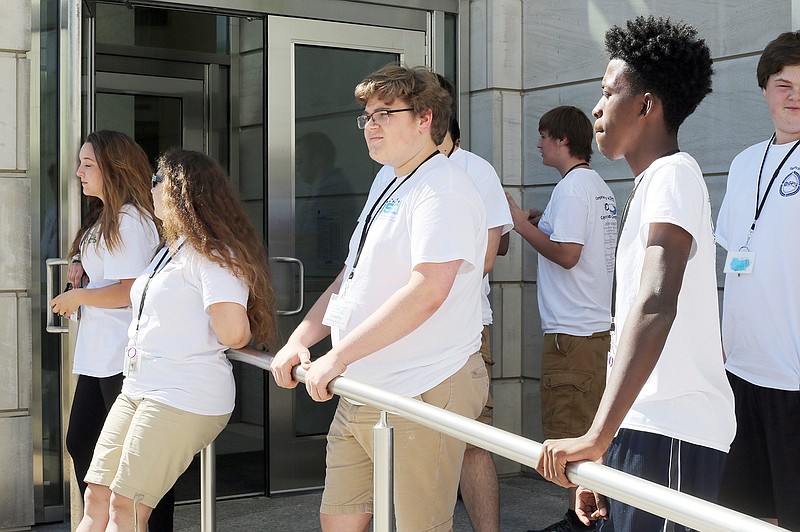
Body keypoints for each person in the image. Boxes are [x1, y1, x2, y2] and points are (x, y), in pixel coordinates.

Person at [534, 16, 736, 532]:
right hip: (644, 427)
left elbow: (654, 304)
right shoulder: (654, 183)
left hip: (672, 431)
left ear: (646, 105)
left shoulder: (673, 174)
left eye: (608, 93)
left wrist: (597, 438)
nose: (596, 109)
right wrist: (605, 451)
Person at [270, 63, 489, 532]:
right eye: (367, 115)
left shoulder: (443, 187)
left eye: (385, 113)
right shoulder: (387, 181)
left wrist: (338, 357)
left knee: (419, 526)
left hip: (422, 385)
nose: (371, 125)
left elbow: (428, 290)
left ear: (426, 118)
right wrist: (301, 339)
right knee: (340, 519)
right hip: (364, 385)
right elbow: (348, 280)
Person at [75, 149, 278, 532]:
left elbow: (234, 332)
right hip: (138, 387)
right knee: (96, 495)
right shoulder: (170, 249)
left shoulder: (214, 255)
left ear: (181, 191)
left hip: (181, 393)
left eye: (157, 181)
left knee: (125, 506)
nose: (150, 189)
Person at [49, 130, 175, 530]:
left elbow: (129, 291)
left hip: (125, 358)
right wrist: (82, 269)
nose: (79, 173)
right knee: (86, 443)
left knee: (131, 459)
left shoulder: (131, 221)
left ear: (113, 169)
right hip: (103, 356)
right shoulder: (110, 217)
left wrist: (78, 299)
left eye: (88, 165)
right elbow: (112, 273)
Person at [507, 106, 617, 532]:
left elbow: (568, 255)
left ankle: (580, 521)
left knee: (571, 438)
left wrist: (520, 225)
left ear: (563, 140)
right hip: (591, 334)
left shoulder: (573, 189)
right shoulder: (595, 186)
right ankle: (585, 518)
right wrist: (541, 222)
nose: (538, 143)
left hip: (570, 339)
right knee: (589, 435)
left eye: (543, 135)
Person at [715, 31, 800, 531]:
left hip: (794, 377)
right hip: (742, 371)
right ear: (764, 91)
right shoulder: (746, 163)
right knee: (744, 514)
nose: (794, 96)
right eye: (782, 84)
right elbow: (734, 259)